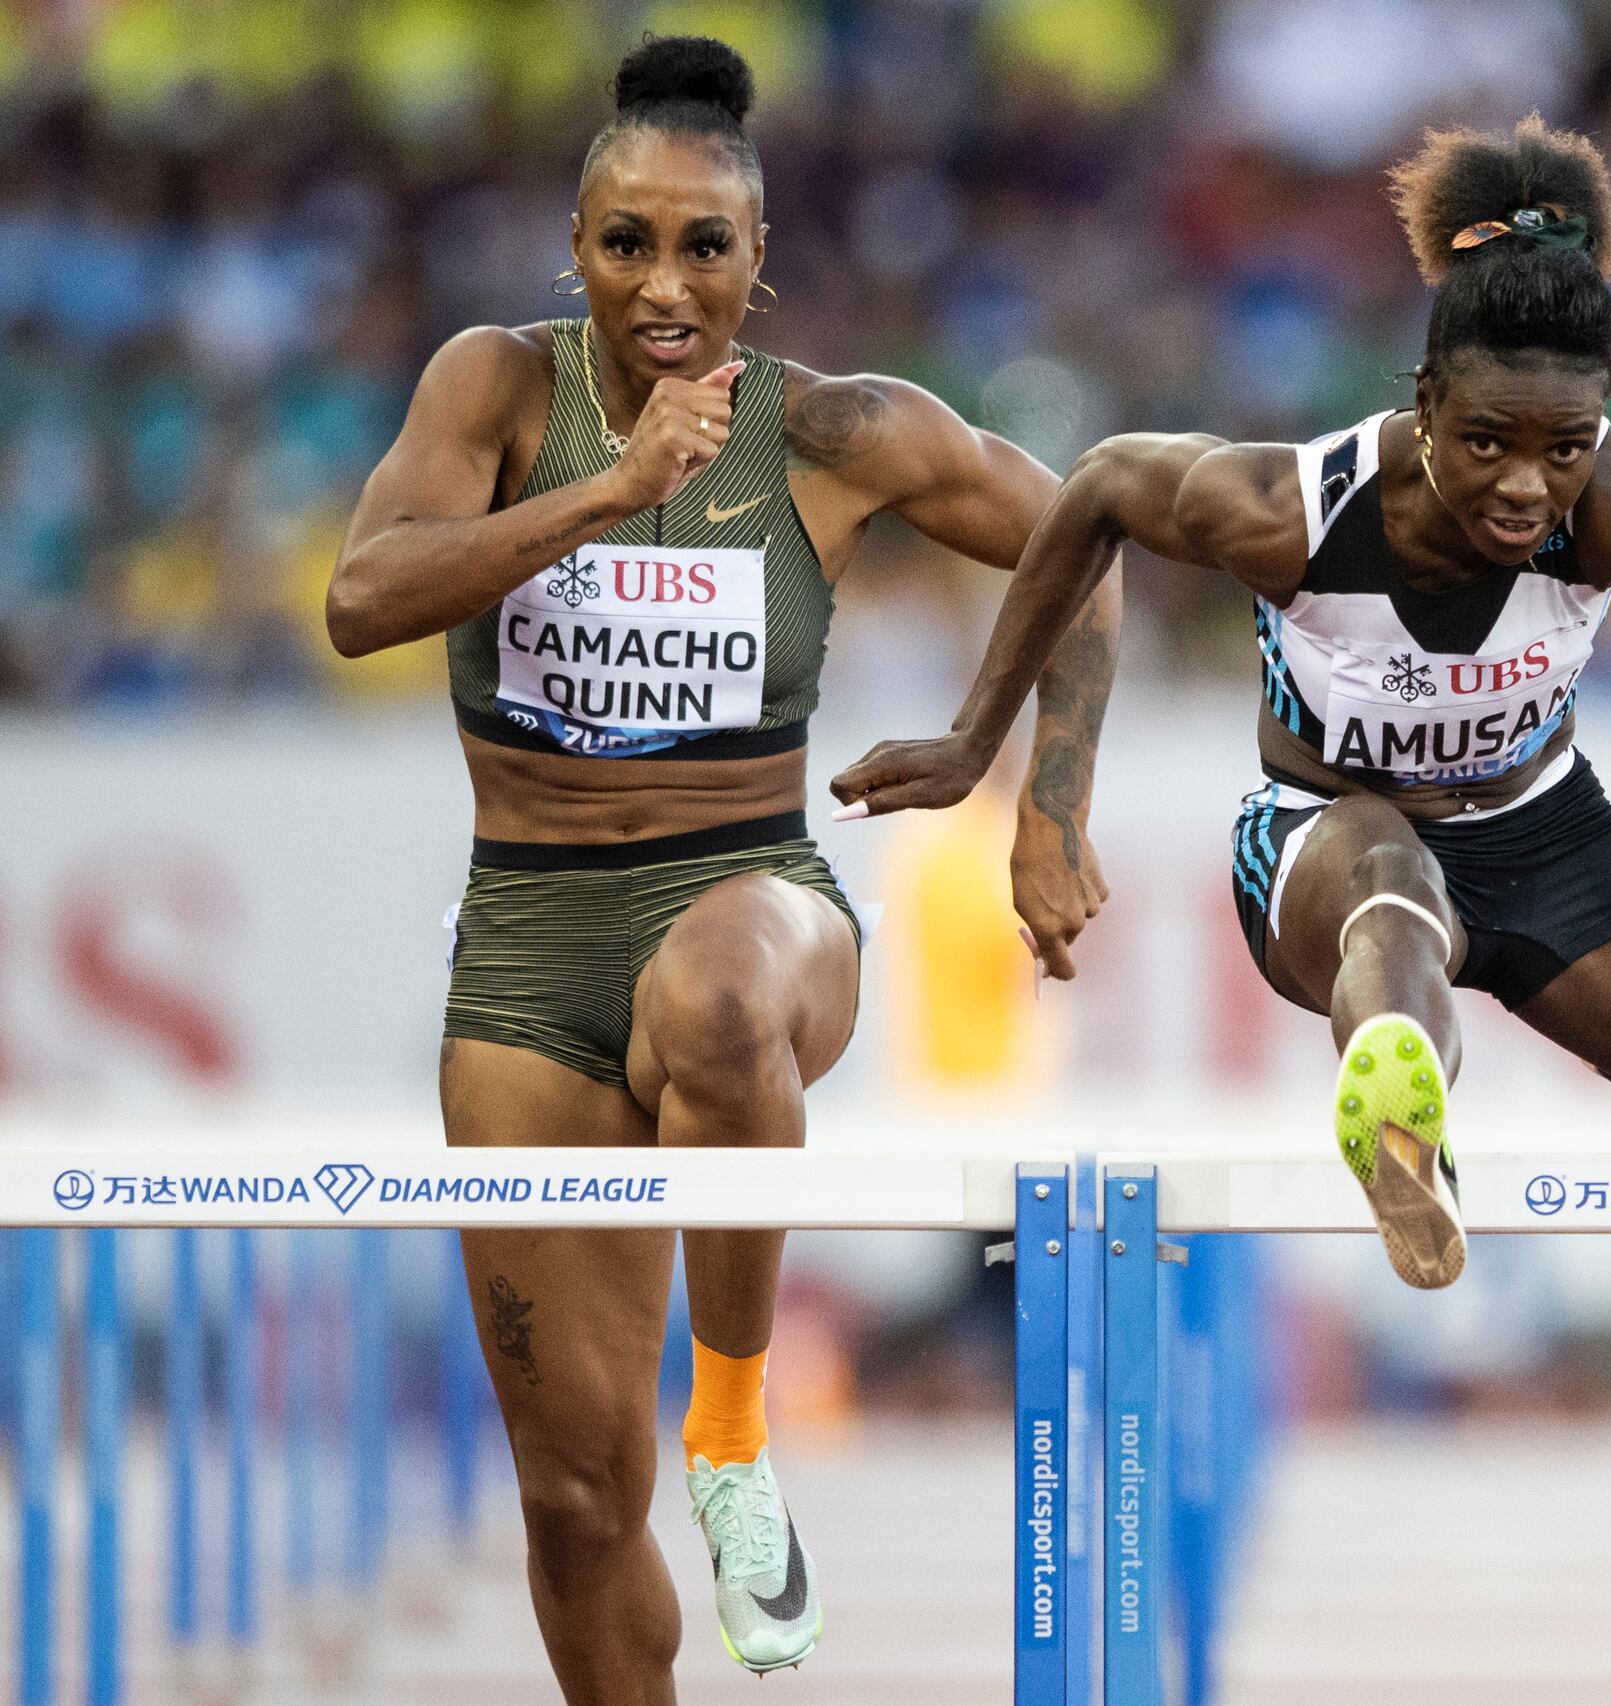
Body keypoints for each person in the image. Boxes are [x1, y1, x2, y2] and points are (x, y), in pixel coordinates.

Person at [325, 36, 1120, 1700]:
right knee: (569, 1499)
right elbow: (364, 601)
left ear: (761, 263)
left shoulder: (836, 432)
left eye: (705, 246)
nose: (665, 282)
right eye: (628, 243)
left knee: (718, 991)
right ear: (578, 249)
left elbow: (1086, 541)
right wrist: (608, 495)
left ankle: (740, 1435)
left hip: (757, 888)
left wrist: (1033, 791)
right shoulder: (497, 391)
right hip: (529, 945)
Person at [832, 115, 1611, 1292]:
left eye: (1562, 447)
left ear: (1604, 415)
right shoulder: (1292, 511)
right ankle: (1400, 1113)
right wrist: (994, 753)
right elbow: (1099, 487)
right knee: (1393, 883)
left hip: (1552, 842)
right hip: (1328, 831)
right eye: (1485, 443)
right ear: (1424, 401)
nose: (1525, 486)